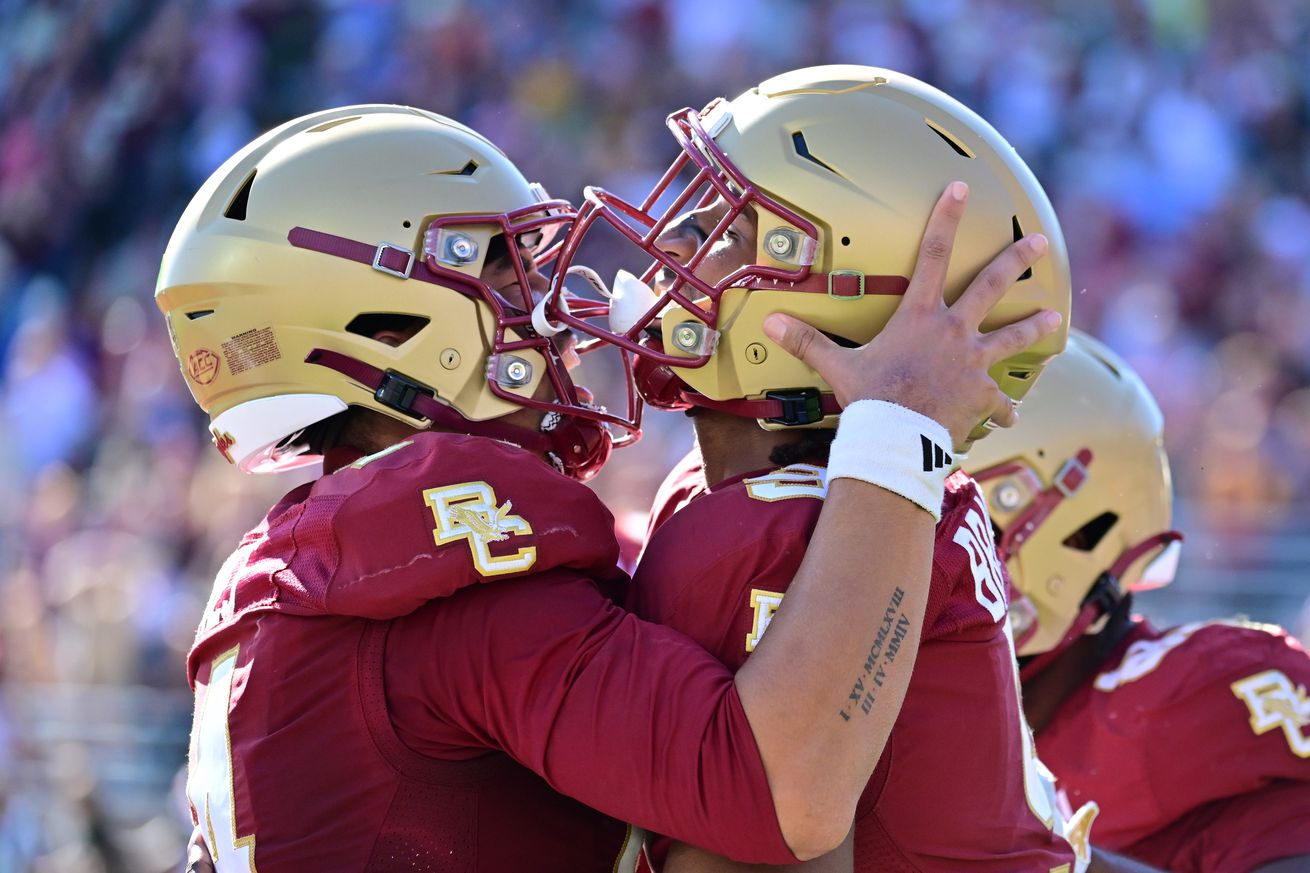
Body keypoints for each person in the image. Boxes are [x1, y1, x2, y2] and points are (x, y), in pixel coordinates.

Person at [161, 104, 1057, 872]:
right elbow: (778, 792)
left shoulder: (307, 556)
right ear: (385, 321)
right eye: (510, 272)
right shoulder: (436, 569)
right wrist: (898, 437)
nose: (557, 309)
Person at [545, 65, 1160, 872]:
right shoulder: (853, 490)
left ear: (843, 301)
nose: (678, 241)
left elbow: (775, 827)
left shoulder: (781, 521)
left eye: (733, 227)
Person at [963, 329, 1310, 873]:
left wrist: (1056, 860)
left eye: (953, 518)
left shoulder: (1194, 696)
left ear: (1082, 531)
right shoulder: (936, 715)